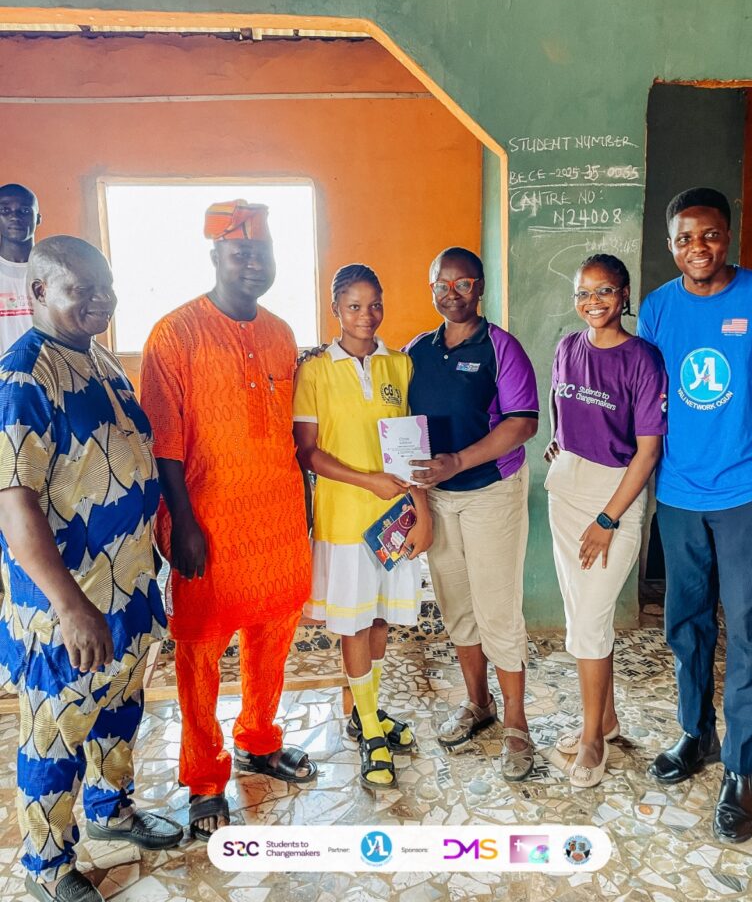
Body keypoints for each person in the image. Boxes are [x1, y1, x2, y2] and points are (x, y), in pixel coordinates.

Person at [0, 236, 182, 902]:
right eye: (82, 289)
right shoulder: (24, 377)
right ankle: (46, 865)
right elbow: (14, 503)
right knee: (55, 732)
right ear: (39, 291)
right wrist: (72, 607)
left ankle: (111, 806)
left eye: (106, 286)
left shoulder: (98, 358)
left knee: (119, 707)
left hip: (127, 587)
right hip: (66, 604)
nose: (101, 299)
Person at [638, 187, 752, 843]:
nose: (698, 248)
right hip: (678, 496)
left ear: (728, 235)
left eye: (710, 234)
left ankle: (741, 770)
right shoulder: (657, 308)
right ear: (671, 245)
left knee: (749, 634)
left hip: (747, 496)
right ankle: (697, 735)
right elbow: (641, 397)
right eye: (685, 238)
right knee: (685, 627)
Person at [139, 200, 314, 841]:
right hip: (206, 519)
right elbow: (164, 443)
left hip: (277, 517)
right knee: (201, 651)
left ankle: (260, 740)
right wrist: (182, 523)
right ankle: (205, 777)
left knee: (273, 635)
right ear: (215, 255)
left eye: (262, 253)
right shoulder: (174, 334)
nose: (253, 263)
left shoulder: (281, 334)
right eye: (240, 253)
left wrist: (304, 511)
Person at [294, 264, 432, 790]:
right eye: (354, 306)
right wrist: (367, 480)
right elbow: (307, 453)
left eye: (374, 304)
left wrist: (421, 507)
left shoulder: (400, 365)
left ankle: (364, 712)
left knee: (378, 619)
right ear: (335, 309)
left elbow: (411, 446)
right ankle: (371, 727)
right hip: (345, 520)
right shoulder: (315, 371)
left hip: (392, 521)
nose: (366, 315)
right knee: (352, 622)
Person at [407, 247, 539, 781]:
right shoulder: (418, 350)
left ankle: (517, 724)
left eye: (463, 284)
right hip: (439, 498)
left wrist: (458, 460)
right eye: (442, 284)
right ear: (431, 289)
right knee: (457, 606)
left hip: (491, 492)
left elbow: (523, 423)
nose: (452, 293)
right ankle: (478, 704)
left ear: (479, 287)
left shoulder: (501, 347)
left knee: (497, 610)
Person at [545, 254, 666, 788]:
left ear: (624, 295)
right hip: (567, 488)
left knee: (590, 620)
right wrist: (560, 441)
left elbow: (648, 452)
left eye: (604, 291)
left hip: (614, 494)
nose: (592, 302)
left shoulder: (643, 359)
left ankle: (592, 739)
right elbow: (560, 403)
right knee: (582, 616)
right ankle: (607, 720)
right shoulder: (567, 347)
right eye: (583, 293)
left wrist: (608, 519)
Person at [0, 183, 41, 354]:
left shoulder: (56, 271)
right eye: (5, 210)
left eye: (24, 210)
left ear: (38, 218)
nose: (14, 217)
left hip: (48, 369)